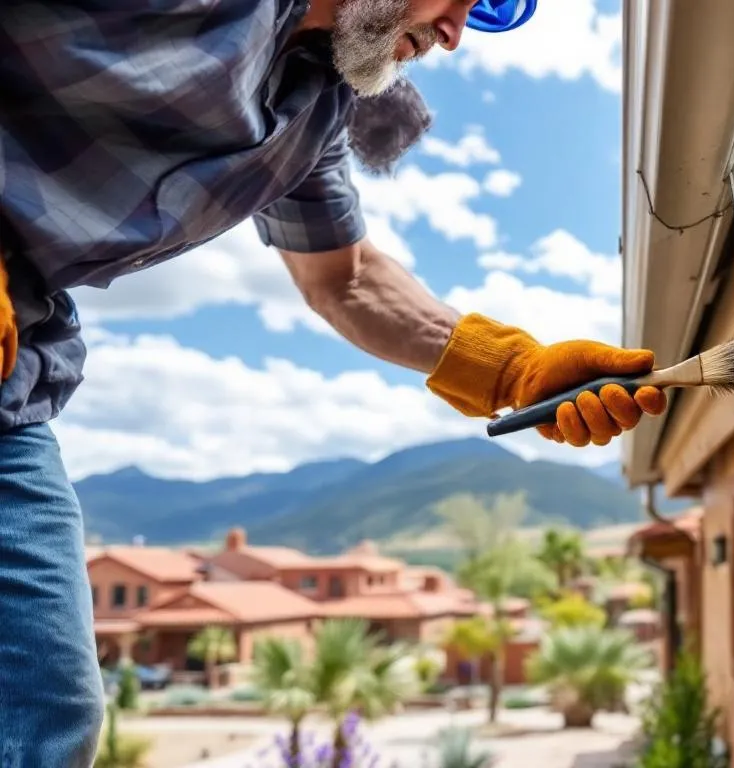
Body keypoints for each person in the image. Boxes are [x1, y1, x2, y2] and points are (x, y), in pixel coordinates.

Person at [0, 0, 665, 764]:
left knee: (44, 713)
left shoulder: (313, 115)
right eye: (461, 0)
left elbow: (344, 282)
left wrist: (518, 370)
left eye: (482, 16)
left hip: (15, 377)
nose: (455, 33)